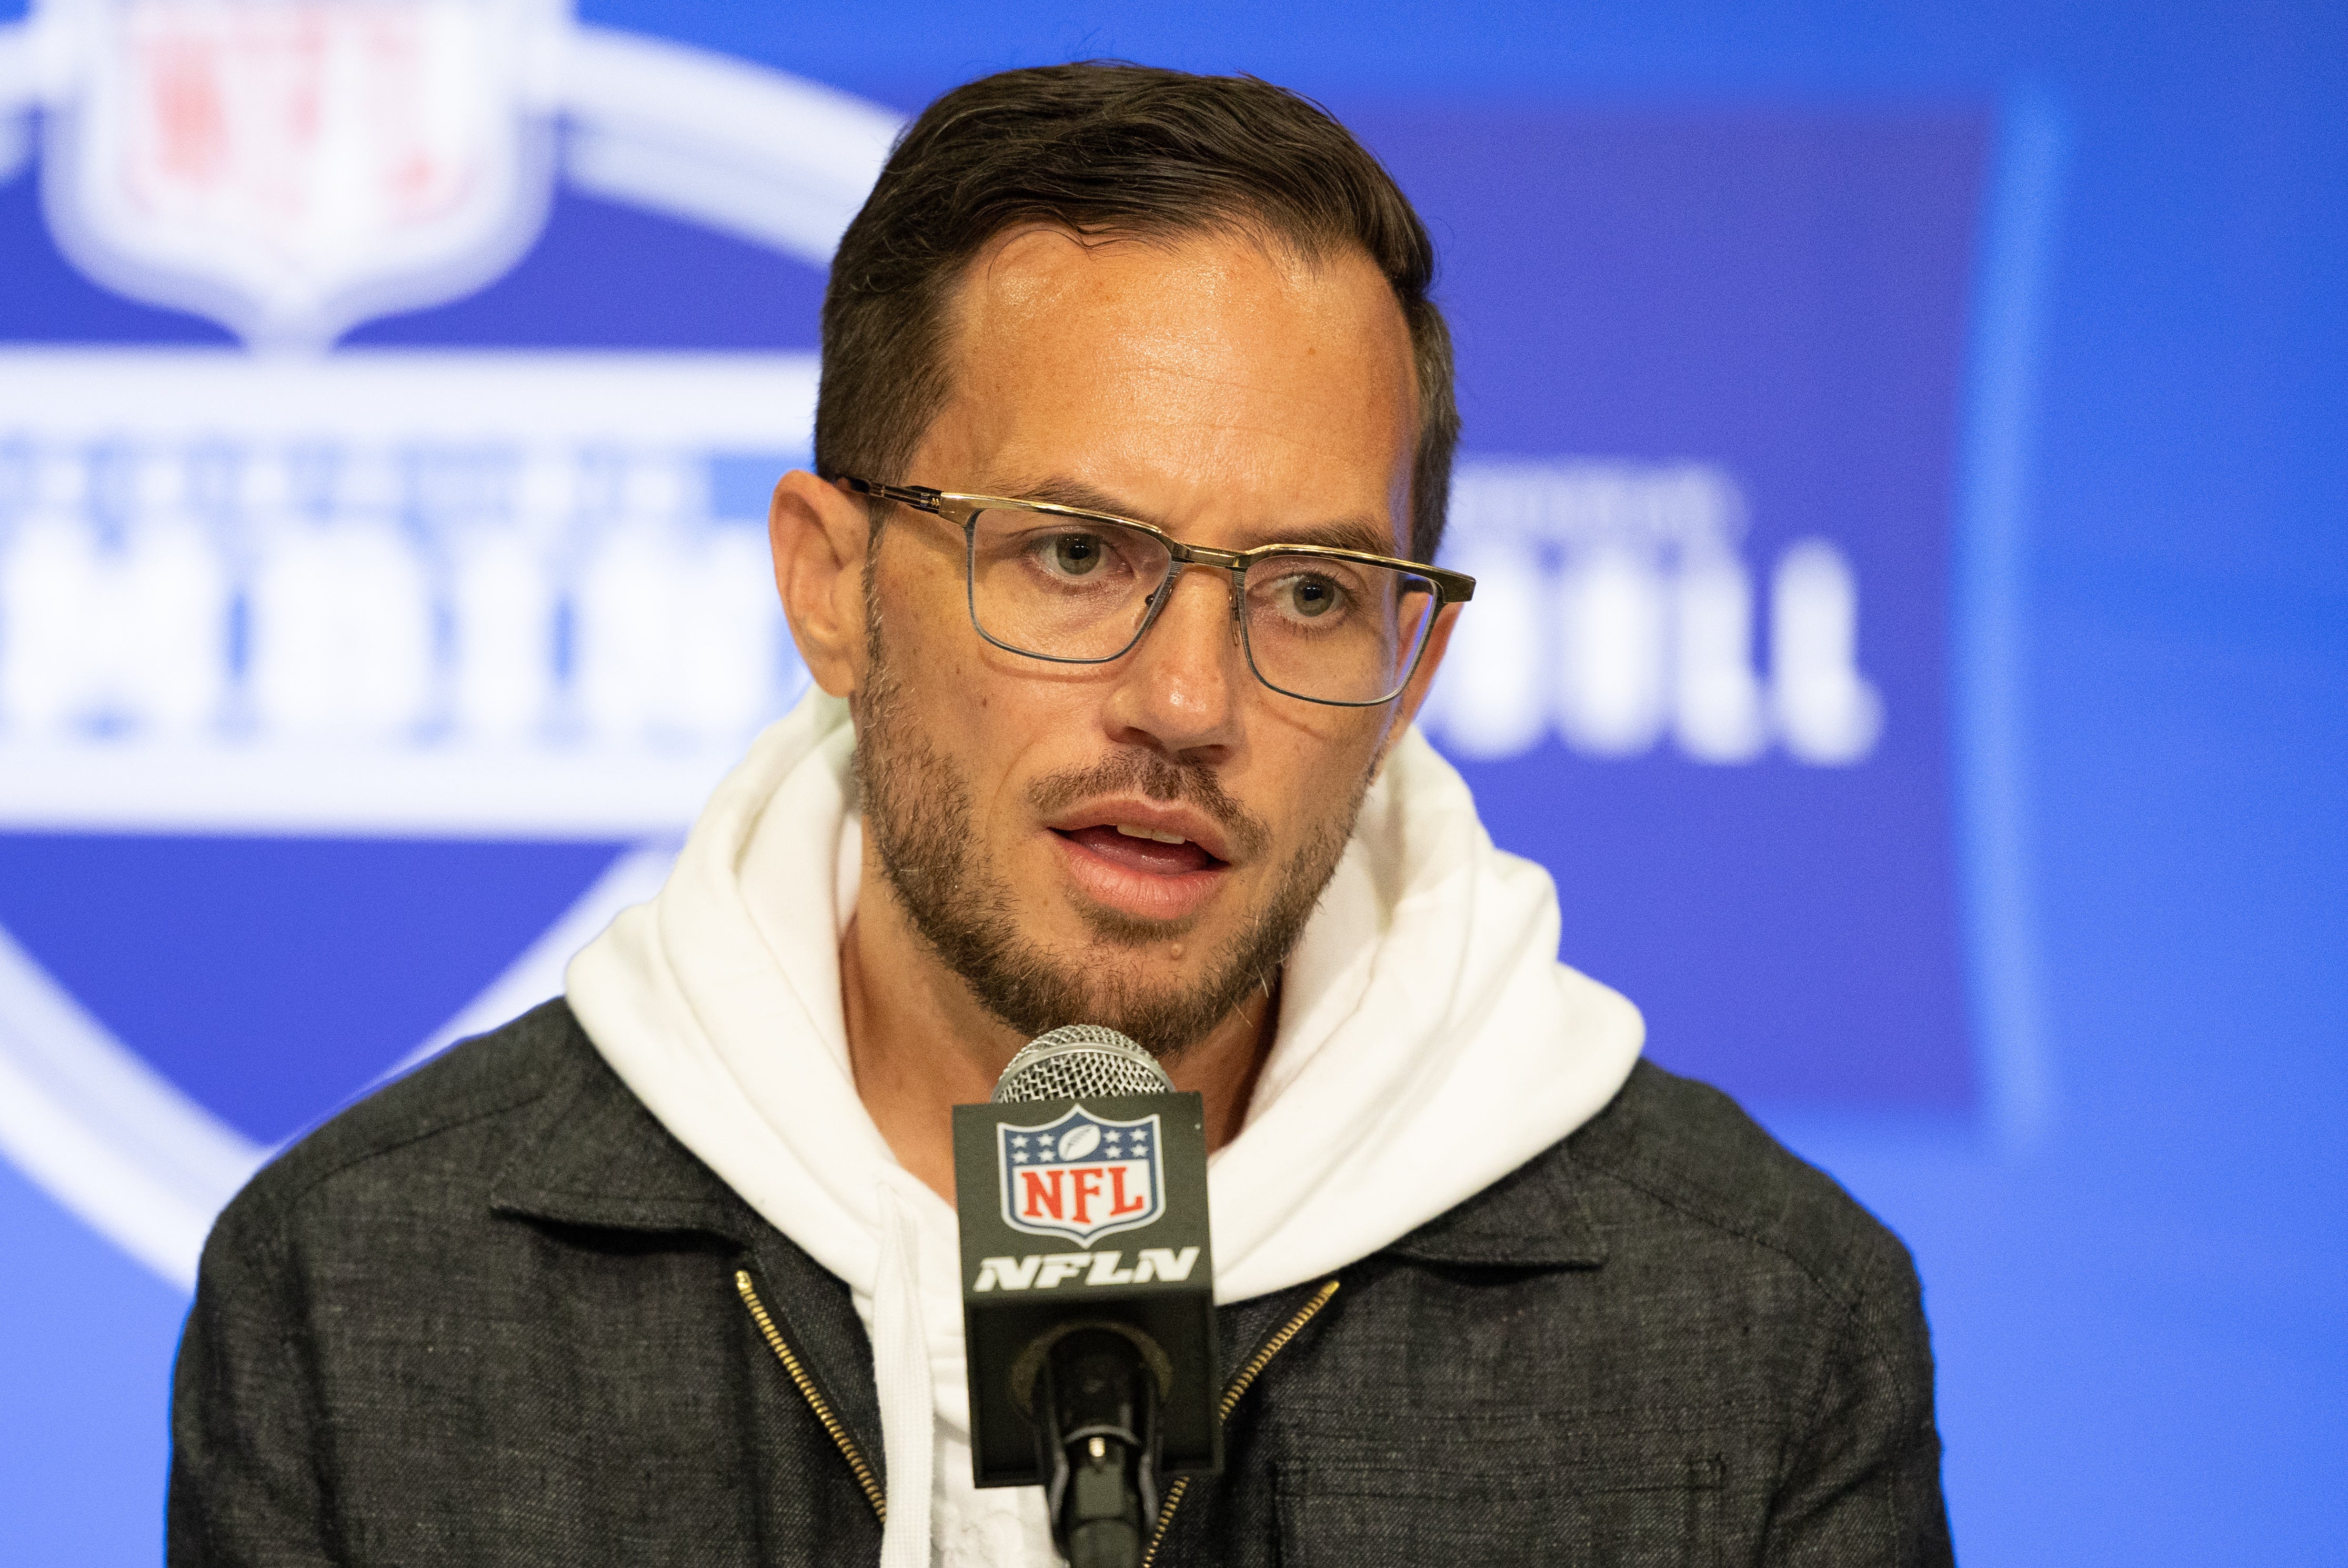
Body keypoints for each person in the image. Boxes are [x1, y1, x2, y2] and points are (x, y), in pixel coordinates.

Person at [169, 63, 1953, 1567]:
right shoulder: (365, 1293)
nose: (1190, 703)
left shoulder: (1755, 1329)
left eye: (1314, 591)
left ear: (1410, 671)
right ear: (832, 585)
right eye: (1078, 556)